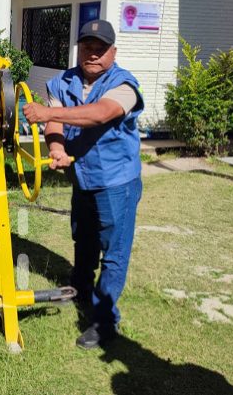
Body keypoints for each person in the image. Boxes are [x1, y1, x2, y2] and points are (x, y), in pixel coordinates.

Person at [23, 19, 144, 349]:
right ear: (78, 49)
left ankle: (105, 322)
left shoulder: (124, 85)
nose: (93, 54)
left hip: (116, 181)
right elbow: (56, 121)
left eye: (100, 49)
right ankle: (80, 286)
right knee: (83, 237)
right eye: (87, 47)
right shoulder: (61, 81)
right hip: (83, 178)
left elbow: (101, 114)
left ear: (112, 52)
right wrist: (57, 148)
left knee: (114, 252)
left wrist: (46, 116)